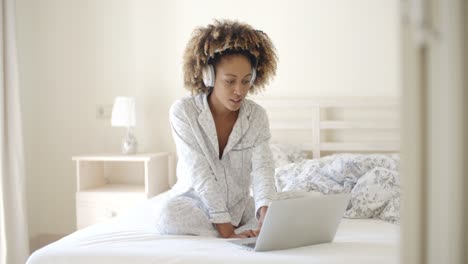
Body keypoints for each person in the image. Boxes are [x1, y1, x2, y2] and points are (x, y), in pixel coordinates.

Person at [155, 19, 278, 239]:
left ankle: (239, 226)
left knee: (291, 201)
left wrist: (266, 224)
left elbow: (263, 170)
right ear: (209, 76)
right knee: (167, 215)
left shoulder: (256, 116)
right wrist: (229, 234)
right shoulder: (184, 112)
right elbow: (201, 175)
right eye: (230, 81)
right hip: (196, 204)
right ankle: (226, 229)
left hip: (240, 208)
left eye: (246, 81)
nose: (239, 90)